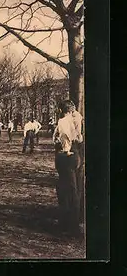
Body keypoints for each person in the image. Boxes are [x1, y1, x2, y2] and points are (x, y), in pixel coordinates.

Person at [52, 100, 83, 236]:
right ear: (71, 110)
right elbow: (73, 137)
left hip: (64, 156)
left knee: (65, 189)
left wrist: (65, 147)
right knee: (73, 189)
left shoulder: (63, 121)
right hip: (71, 155)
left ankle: (66, 223)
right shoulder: (73, 119)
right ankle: (73, 224)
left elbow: (61, 138)